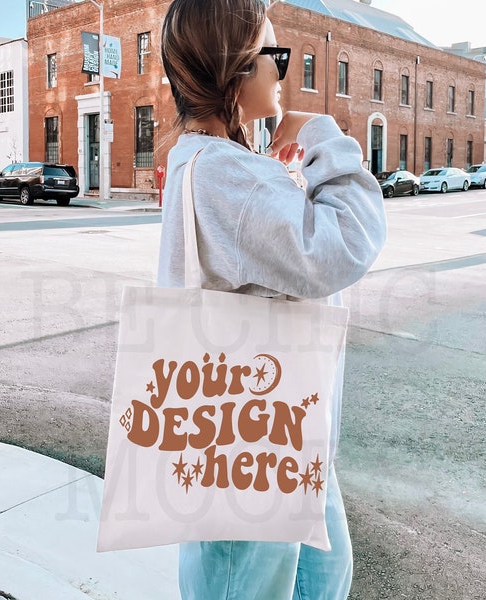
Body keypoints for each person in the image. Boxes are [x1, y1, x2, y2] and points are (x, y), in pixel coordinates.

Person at [159, 0, 387, 597]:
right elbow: (348, 245)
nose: (280, 72)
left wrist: (279, 174)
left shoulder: (203, 164)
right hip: (254, 451)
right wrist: (321, 135)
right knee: (245, 578)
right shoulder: (223, 174)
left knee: (324, 571)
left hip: (277, 432)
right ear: (235, 67)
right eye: (273, 56)